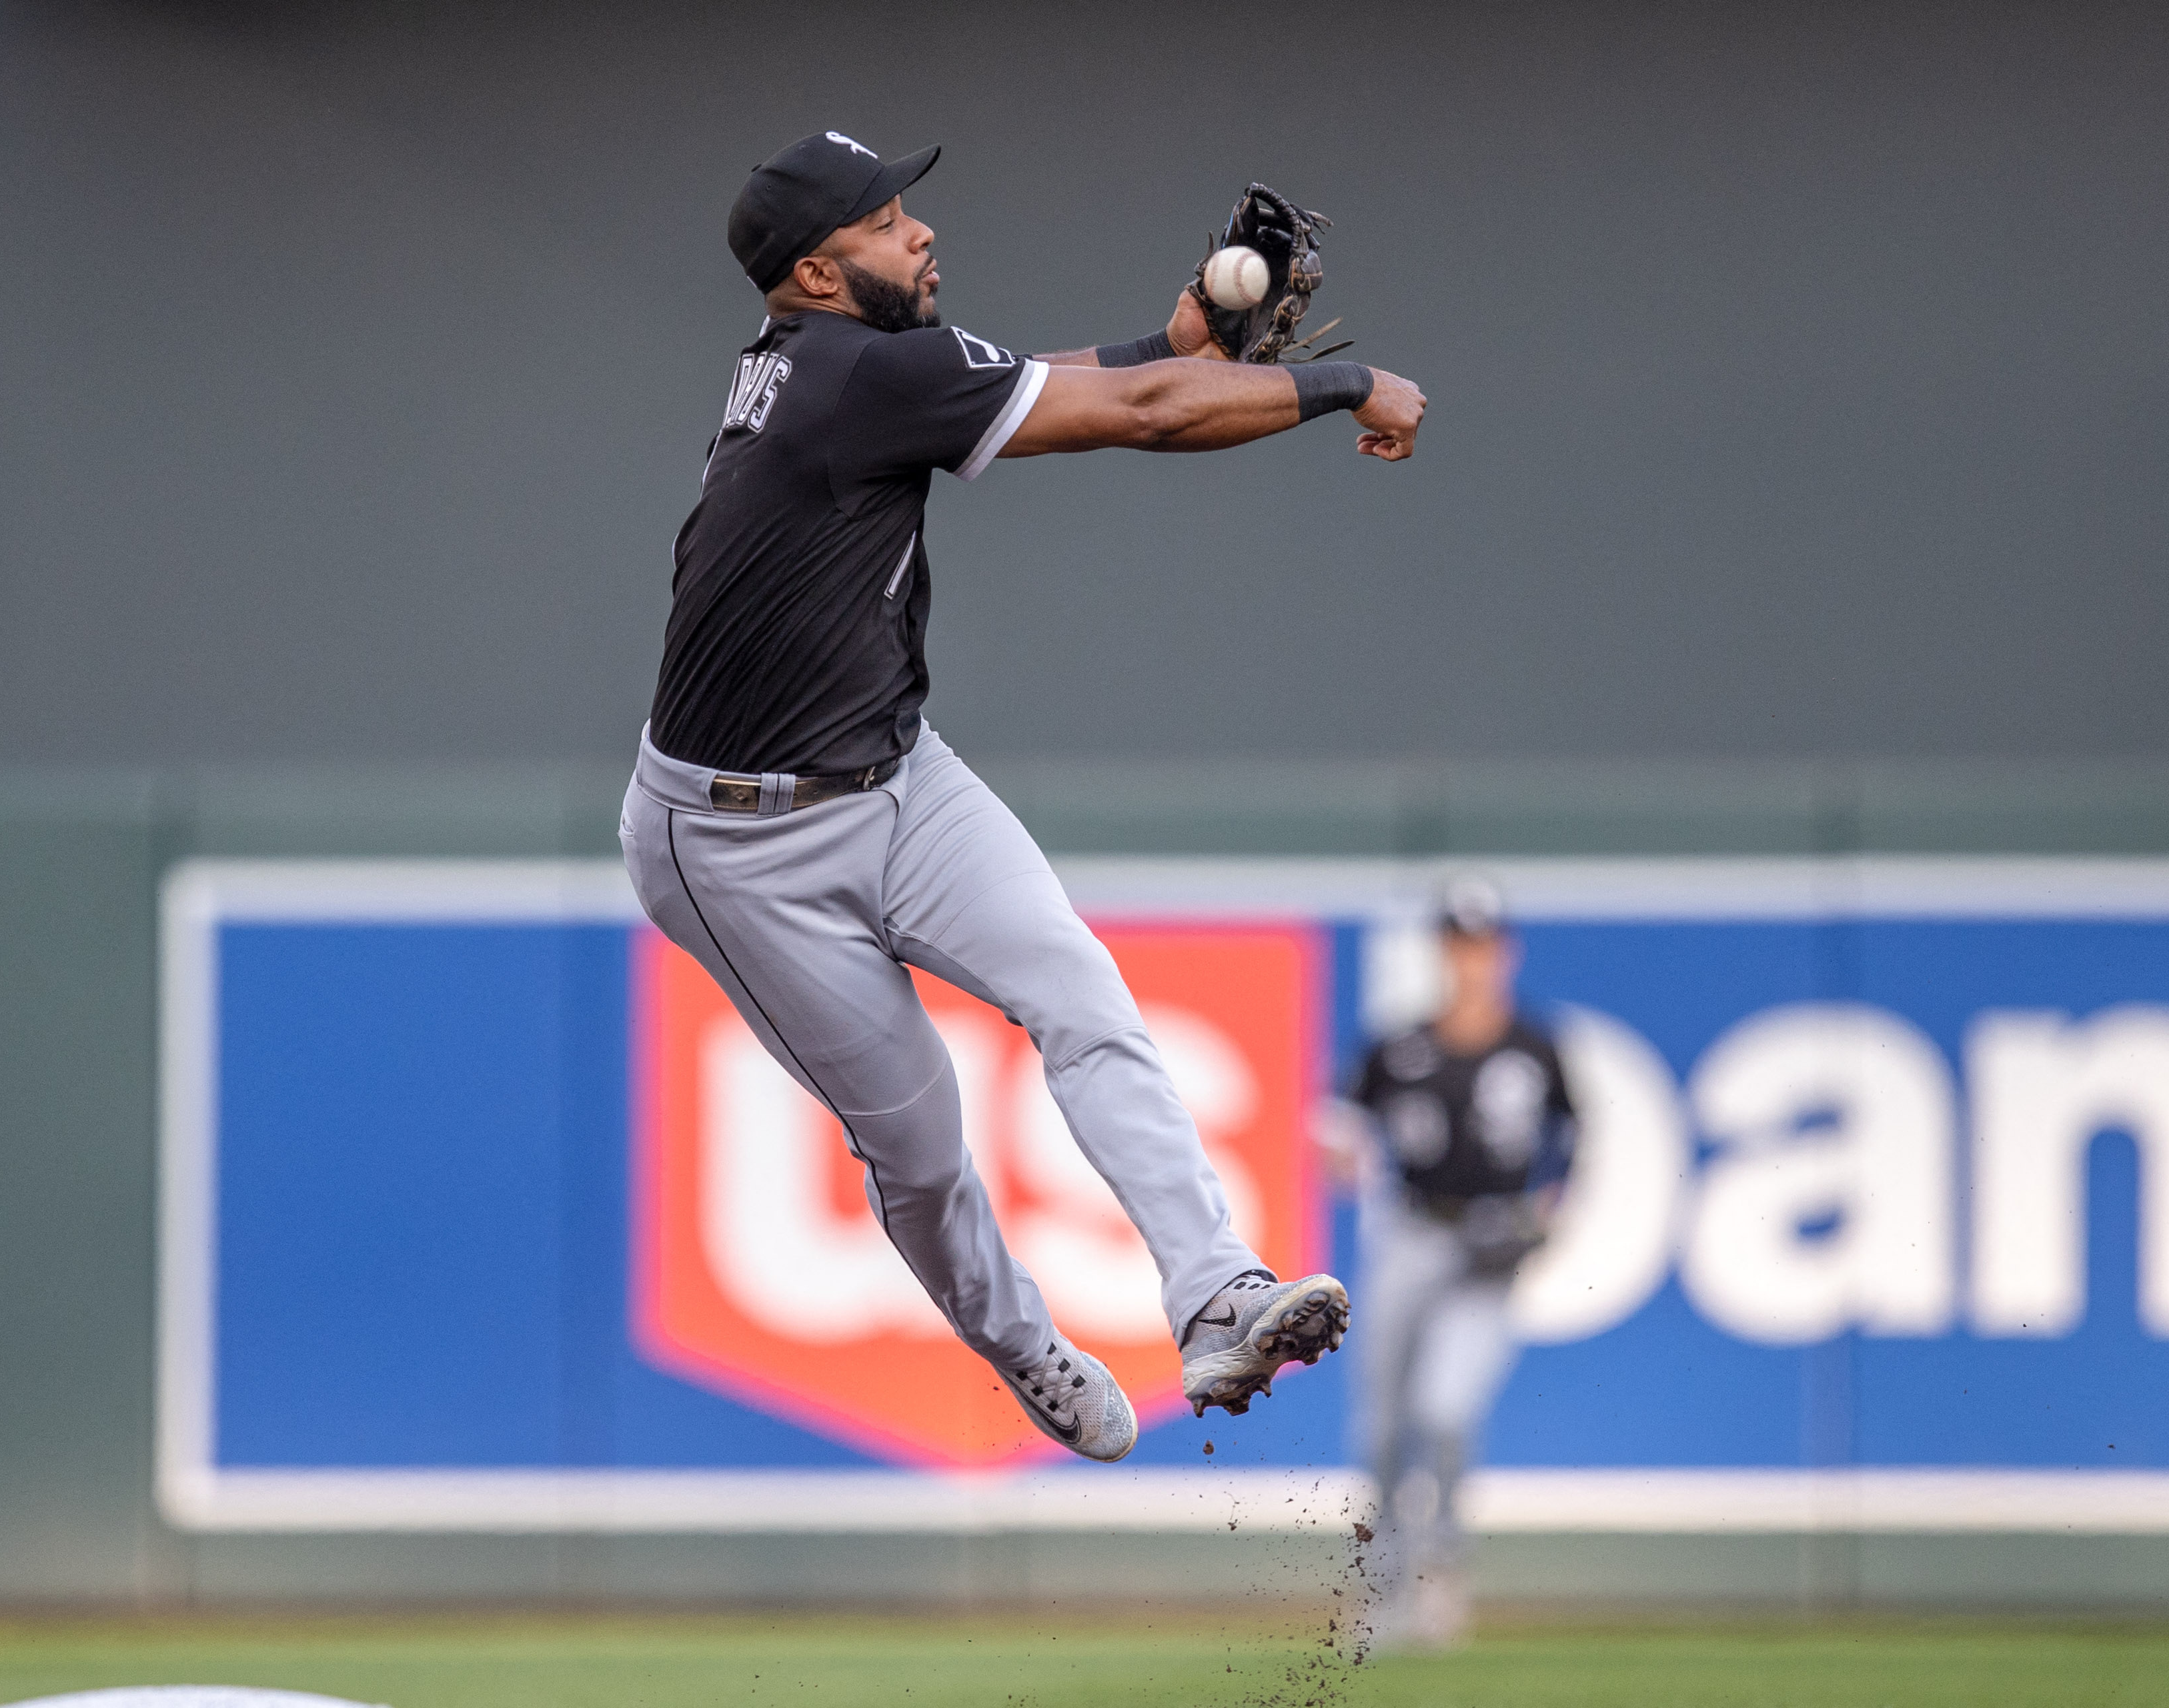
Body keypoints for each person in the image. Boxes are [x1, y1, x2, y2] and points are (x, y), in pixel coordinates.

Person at [620, 129, 1427, 1461]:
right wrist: (1348, 384)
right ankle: (1014, 1335)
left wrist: (1178, 339)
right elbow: (1151, 417)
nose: (920, 233)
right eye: (886, 222)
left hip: (896, 770)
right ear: (820, 273)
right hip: (731, 841)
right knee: (923, 1142)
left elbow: (1074, 381)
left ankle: (1217, 1289)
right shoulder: (849, 376)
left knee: (1082, 991)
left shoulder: (857, 367)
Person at [1337, 876, 1577, 1648]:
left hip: (1489, 1245)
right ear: (1442, 952)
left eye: (1482, 944)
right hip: (1410, 1234)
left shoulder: (1533, 1046)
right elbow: (1338, 1121)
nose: (1471, 960)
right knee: (1380, 1426)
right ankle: (1379, 1583)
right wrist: (1339, 1151)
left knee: (1443, 1410)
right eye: (1457, 944)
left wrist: (1550, 1208)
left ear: (1504, 952)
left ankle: (1439, 1572)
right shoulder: (1398, 1045)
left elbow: (1574, 1137)